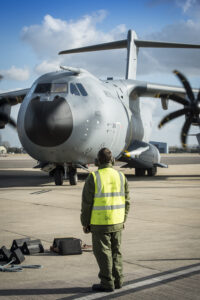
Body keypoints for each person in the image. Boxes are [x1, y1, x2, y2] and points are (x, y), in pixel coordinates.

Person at [81, 147, 130, 292]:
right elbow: (127, 201)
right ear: (113, 160)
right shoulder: (121, 176)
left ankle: (107, 283)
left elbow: (87, 204)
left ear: (97, 161)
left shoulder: (94, 177)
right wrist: (123, 219)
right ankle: (119, 280)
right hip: (117, 222)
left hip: (100, 223)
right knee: (116, 252)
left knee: (103, 253)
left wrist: (85, 223)